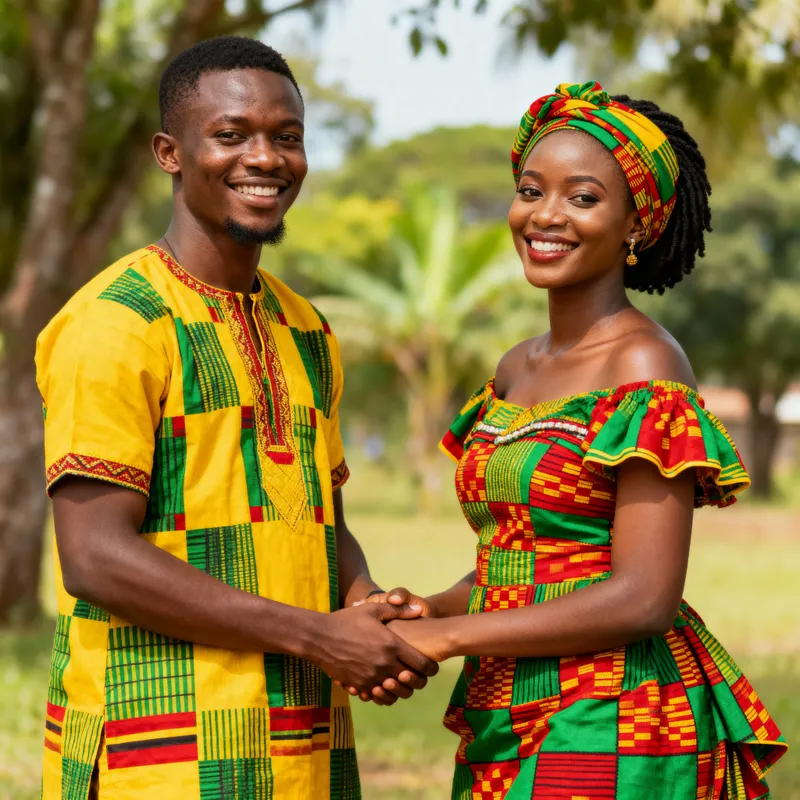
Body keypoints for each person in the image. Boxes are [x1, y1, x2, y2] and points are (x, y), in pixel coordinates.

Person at [360, 83, 788, 798]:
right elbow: (526, 560)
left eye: (583, 198)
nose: (546, 215)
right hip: (508, 710)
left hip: (611, 718)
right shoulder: (515, 367)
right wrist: (430, 609)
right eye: (531, 190)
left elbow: (643, 597)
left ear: (636, 225)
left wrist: (448, 639)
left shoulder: (644, 365)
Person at [35, 36, 435, 800]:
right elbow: (95, 558)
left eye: (287, 138)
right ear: (170, 152)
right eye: (231, 135)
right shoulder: (116, 323)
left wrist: (367, 611)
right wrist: (321, 637)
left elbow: (322, 521)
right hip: (156, 753)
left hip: (296, 745)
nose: (266, 158)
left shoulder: (307, 328)